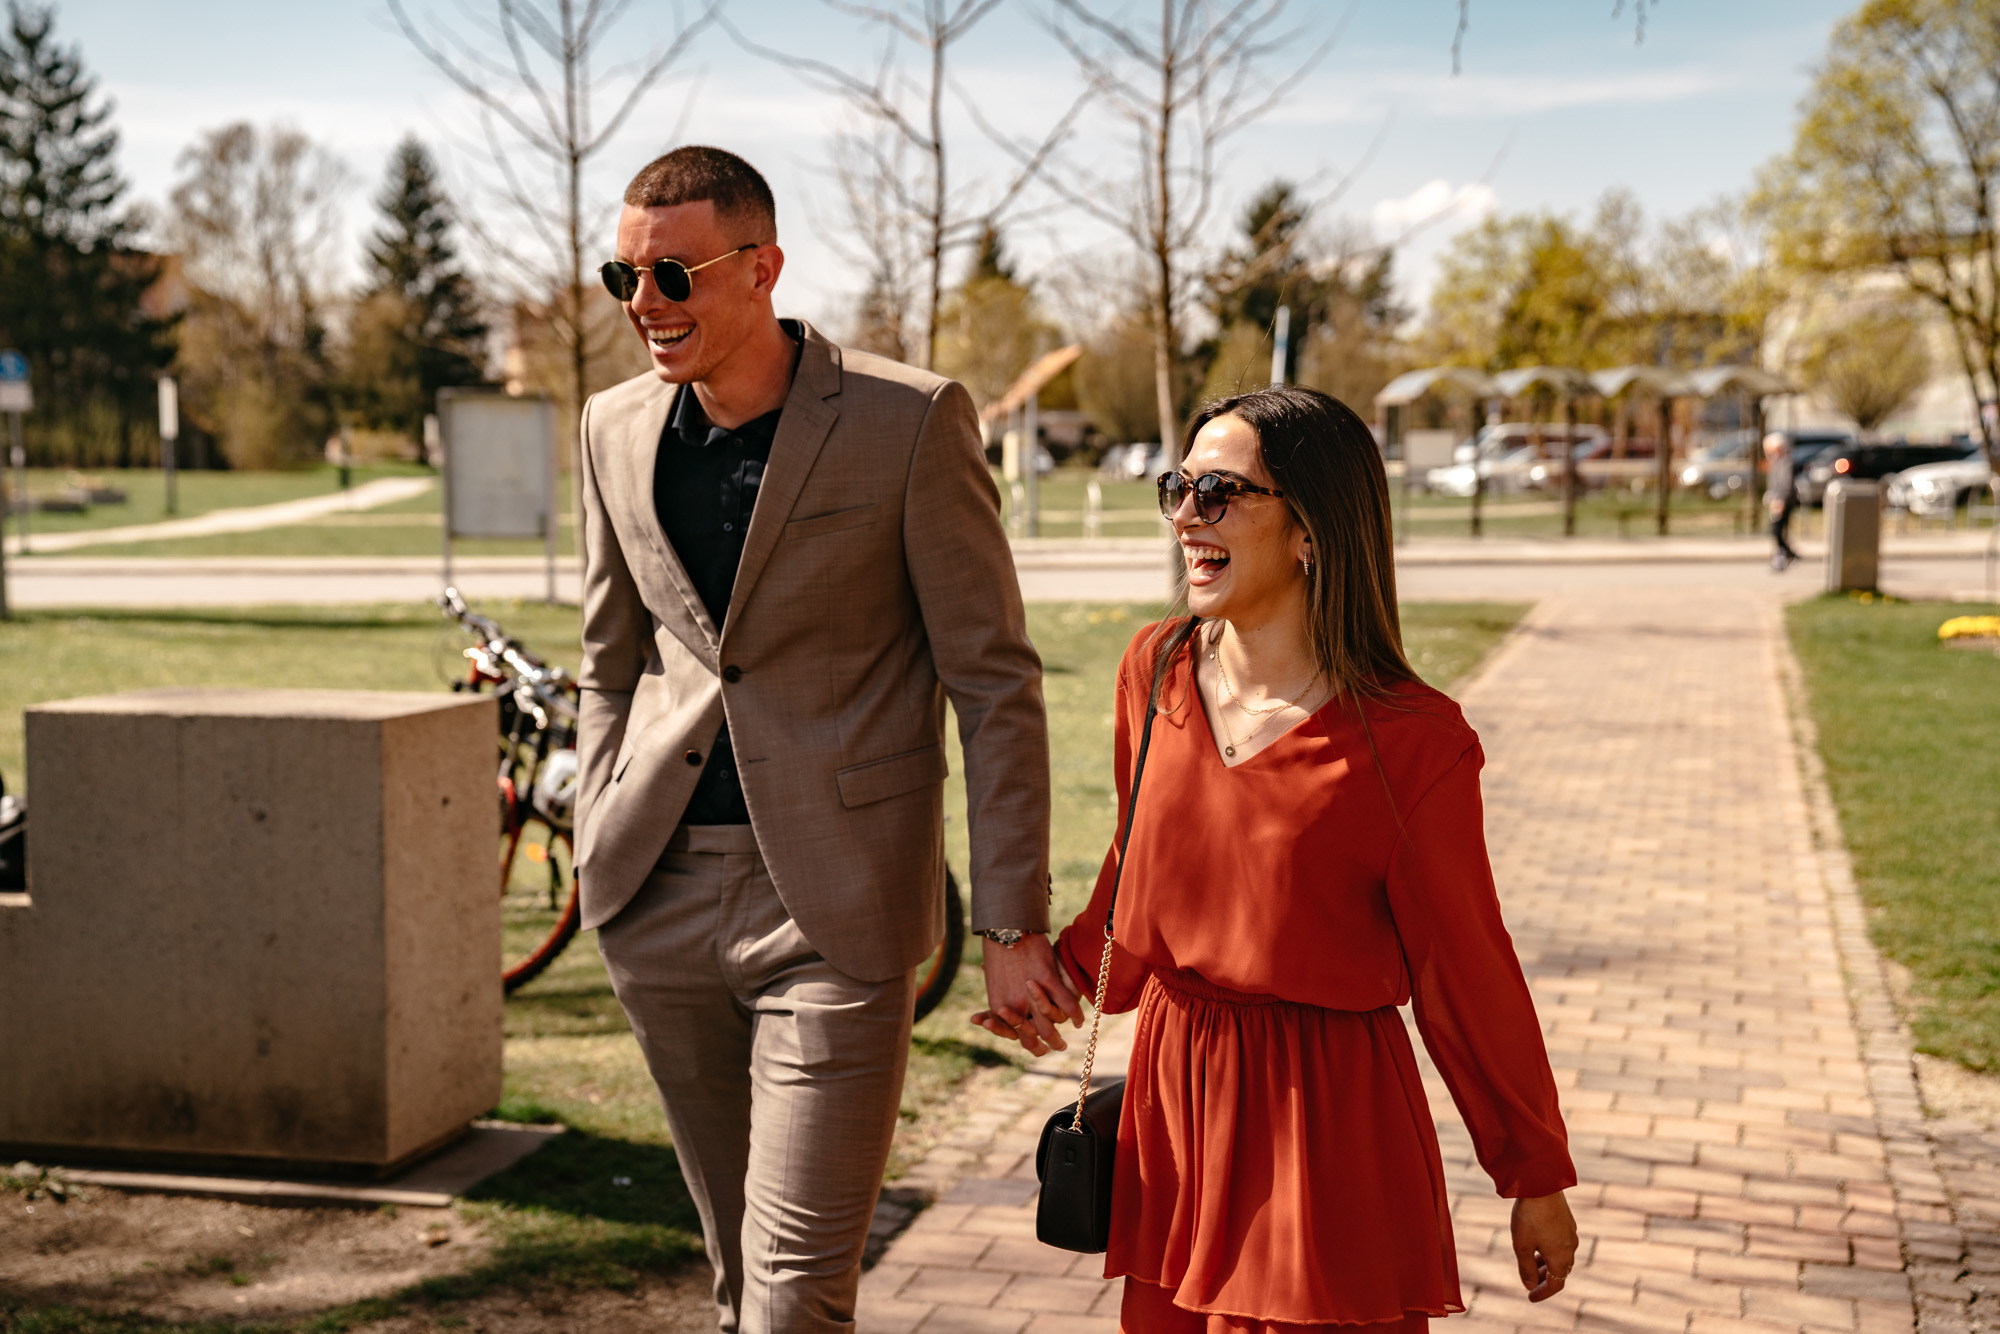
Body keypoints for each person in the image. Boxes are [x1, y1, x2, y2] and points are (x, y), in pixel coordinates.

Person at [574, 145, 1079, 1334]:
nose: (643, 302)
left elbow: (992, 680)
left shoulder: (908, 419)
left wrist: (1011, 922)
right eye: (622, 275)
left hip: (834, 910)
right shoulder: (609, 425)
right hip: (655, 892)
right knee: (735, 1275)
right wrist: (598, 827)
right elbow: (607, 655)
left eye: (672, 274)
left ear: (762, 268)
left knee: (795, 1292)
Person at [977, 386, 1578, 1333]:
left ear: (1309, 530)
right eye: (1179, 487)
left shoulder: (1413, 743)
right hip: (1176, 1110)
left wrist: (1533, 1174)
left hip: (1323, 1127)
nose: (1187, 514)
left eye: (1220, 493)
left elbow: (1466, 968)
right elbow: (1138, 870)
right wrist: (1056, 976)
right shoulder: (1156, 669)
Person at [1764, 432, 1799, 570]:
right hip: (1777, 501)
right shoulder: (1777, 461)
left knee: (1777, 531)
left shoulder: (1785, 462)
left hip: (1782, 502)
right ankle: (1785, 555)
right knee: (1777, 531)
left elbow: (1786, 484)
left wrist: (1780, 501)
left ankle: (1789, 555)